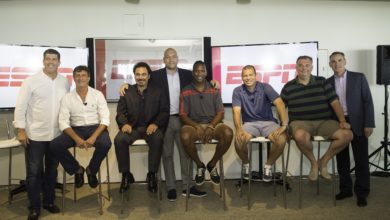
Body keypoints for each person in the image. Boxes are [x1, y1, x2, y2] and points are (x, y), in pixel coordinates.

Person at [119, 48, 209, 201]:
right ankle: (171, 187)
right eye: (168, 57)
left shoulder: (187, 75)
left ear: (178, 58)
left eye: (173, 56)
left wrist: (213, 82)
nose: (171, 59)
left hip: (184, 119)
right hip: (164, 119)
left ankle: (188, 187)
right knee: (167, 155)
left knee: (186, 154)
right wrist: (126, 85)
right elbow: (140, 82)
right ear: (164, 59)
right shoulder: (155, 75)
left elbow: (202, 80)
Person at [14, 49, 68, 220]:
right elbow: (21, 106)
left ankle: (49, 202)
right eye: (48, 59)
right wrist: (21, 130)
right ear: (43, 61)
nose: (51, 62)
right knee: (34, 172)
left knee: (52, 171)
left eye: (54, 59)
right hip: (35, 135)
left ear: (59, 62)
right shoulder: (30, 81)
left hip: (56, 135)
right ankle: (34, 207)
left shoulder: (65, 82)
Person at [280, 55, 353, 181]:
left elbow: (335, 102)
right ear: (296, 68)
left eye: (307, 65)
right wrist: (283, 125)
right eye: (301, 65)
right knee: (299, 136)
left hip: (324, 122)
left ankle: (323, 162)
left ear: (312, 67)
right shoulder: (288, 87)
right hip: (300, 123)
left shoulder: (322, 81)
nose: (304, 68)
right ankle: (314, 163)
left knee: (347, 135)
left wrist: (342, 120)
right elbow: (280, 108)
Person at [50, 65, 111, 190]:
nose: (80, 78)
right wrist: (77, 139)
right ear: (73, 78)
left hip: (95, 128)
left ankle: (91, 170)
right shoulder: (67, 98)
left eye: (83, 75)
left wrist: (93, 137)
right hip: (75, 129)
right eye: (77, 75)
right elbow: (63, 122)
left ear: (88, 78)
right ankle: (77, 169)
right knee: (55, 145)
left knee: (106, 143)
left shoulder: (98, 95)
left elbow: (105, 119)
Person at [327, 51, 375, 207]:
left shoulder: (359, 77)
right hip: (338, 124)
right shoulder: (326, 82)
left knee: (361, 160)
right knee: (342, 160)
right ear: (330, 65)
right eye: (333, 61)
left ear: (345, 61)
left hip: (359, 123)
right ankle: (346, 189)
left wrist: (369, 124)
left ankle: (362, 193)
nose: (337, 64)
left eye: (340, 60)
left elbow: (367, 101)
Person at [114, 62, 169, 193]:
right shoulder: (127, 91)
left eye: (144, 74)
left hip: (151, 128)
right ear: (134, 76)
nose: (140, 77)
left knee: (158, 139)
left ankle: (151, 175)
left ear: (149, 76)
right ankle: (126, 174)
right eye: (137, 74)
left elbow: (164, 111)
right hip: (132, 129)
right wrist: (124, 124)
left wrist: (156, 124)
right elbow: (120, 113)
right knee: (119, 140)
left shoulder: (158, 91)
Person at [180, 60, 233, 186]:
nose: (199, 73)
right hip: (194, 125)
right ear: (193, 73)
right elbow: (182, 115)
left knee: (228, 133)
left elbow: (220, 112)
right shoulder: (185, 90)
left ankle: (212, 164)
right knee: (185, 135)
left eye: (202, 70)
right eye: (197, 71)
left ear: (206, 72)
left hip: (213, 124)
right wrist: (196, 126)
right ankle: (200, 165)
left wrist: (210, 126)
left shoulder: (214, 90)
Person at [232, 65, 288, 181]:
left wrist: (284, 125)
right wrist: (238, 129)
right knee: (238, 141)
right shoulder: (237, 91)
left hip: (268, 122)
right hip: (249, 124)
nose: (248, 78)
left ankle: (268, 166)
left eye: (250, 75)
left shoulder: (265, 87)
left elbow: (280, 103)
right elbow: (236, 112)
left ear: (255, 75)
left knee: (281, 139)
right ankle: (246, 165)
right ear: (242, 77)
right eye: (245, 75)